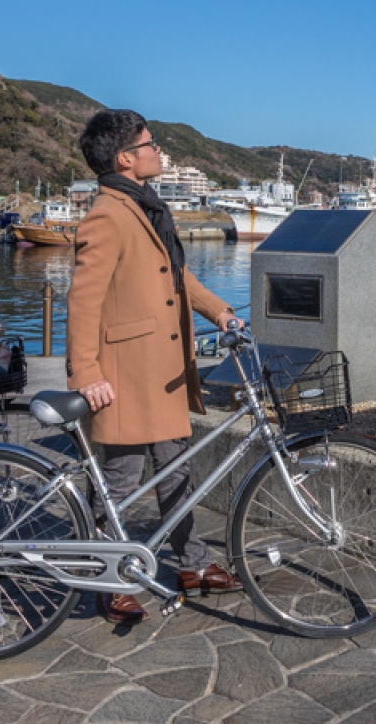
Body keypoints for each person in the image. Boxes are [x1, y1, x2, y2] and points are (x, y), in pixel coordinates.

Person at [67, 109, 245, 624]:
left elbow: (175, 277)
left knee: (177, 470)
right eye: (151, 144)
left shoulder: (146, 207)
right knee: (120, 482)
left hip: (163, 366)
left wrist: (219, 311)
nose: (157, 151)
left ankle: (191, 564)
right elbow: (83, 300)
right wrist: (86, 373)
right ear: (126, 158)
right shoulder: (109, 213)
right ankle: (109, 577)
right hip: (122, 371)